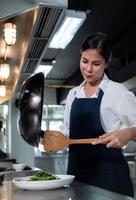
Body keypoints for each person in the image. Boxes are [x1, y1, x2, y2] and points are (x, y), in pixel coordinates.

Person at [43, 32, 136, 200]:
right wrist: (51, 139)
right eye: (84, 61)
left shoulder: (117, 92)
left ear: (106, 63)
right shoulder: (73, 94)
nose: (89, 69)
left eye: (96, 64)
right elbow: (67, 133)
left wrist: (128, 133)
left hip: (110, 179)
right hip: (77, 177)